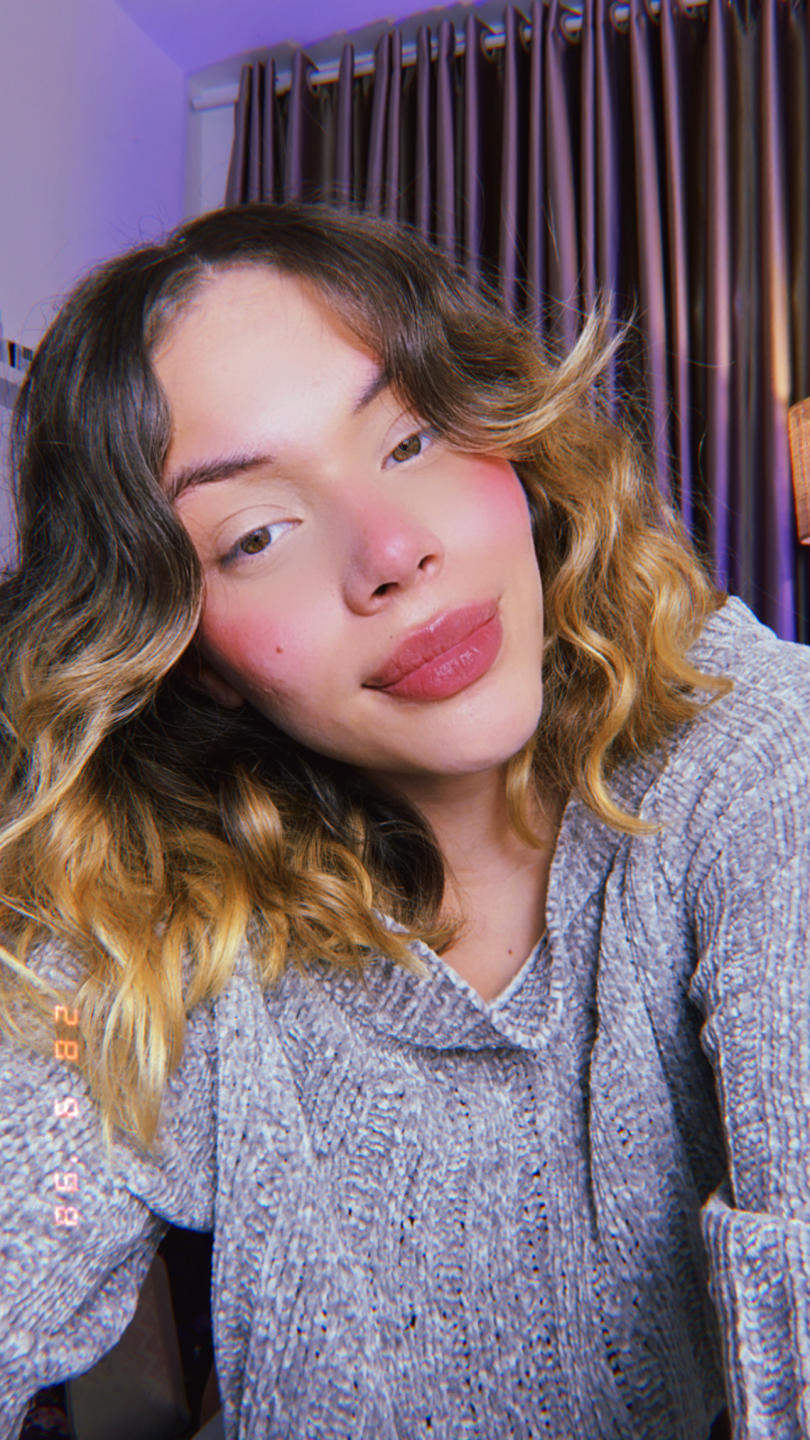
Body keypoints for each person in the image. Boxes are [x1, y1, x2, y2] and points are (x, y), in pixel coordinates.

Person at [0, 202, 807, 1440]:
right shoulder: (153, 906)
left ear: (510, 440)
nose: (390, 552)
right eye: (256, 534)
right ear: (191, 653)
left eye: (412, 438)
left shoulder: (754, 758)